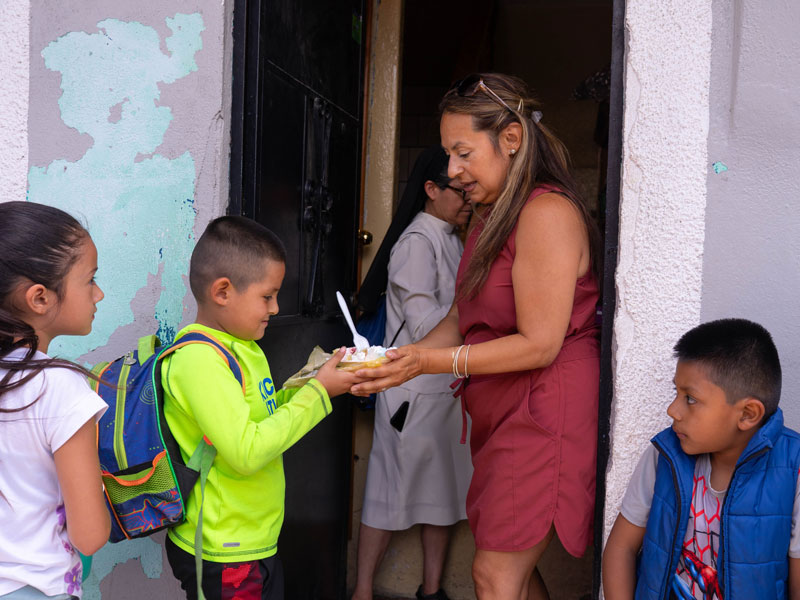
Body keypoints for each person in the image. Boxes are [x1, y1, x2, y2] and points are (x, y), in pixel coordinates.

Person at [352, 73, 602, 600]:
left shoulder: (546, 213)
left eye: (462, 152)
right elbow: (463, 318)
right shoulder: (492, 217)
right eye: (448, 155)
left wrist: (428, 364)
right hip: (501, 408)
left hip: (542, 409)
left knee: (493, 573)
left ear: (510, 138)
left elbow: (540, 344)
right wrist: (401, 357)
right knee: (507, 565)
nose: (452, 170)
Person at [161, 216, 363, 600]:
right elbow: (247, 452)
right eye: (267, 296)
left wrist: (317, 382)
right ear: (222, 291)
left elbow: (262, 423)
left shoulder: (244, 349)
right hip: (224, 549)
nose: (275, 307)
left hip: (250, 541)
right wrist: (317, 395)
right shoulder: (200, 361)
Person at [603, 318, 800, 600]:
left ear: (747, 414)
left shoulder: (793, 470)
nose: (673, 410)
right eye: (676, 393)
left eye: (690, 399)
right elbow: (621, 548)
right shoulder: (666, 457)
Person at [352, 146, 474, 600]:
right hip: (411, 392)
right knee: (387, 494)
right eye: (459, 191)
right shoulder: (416, 242)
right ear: (430, 189)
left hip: (444, 388)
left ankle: (434, 589)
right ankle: (363, 591)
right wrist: (473, 308)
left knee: (442, 495)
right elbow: (424, 325)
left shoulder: (453, 237)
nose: (467, 199)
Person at [0, 201, 110, 599]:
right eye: (90, 280)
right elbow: (91, 536)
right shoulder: (60, 388)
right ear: (40, 298)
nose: (99, 293)